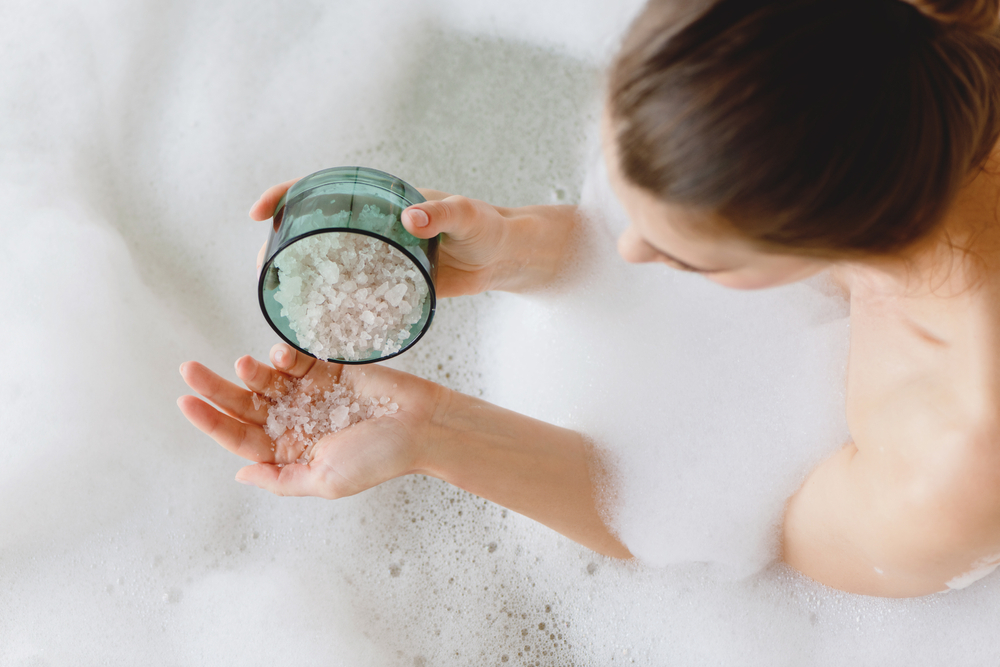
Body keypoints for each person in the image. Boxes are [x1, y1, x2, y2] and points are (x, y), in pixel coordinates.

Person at [178, 0, 1000, 598]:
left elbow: (742, 521)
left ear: (851, 241)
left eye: (680, 255)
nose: (630, 249)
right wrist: (518, 245)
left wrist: (430, 434)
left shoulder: (953, 456)